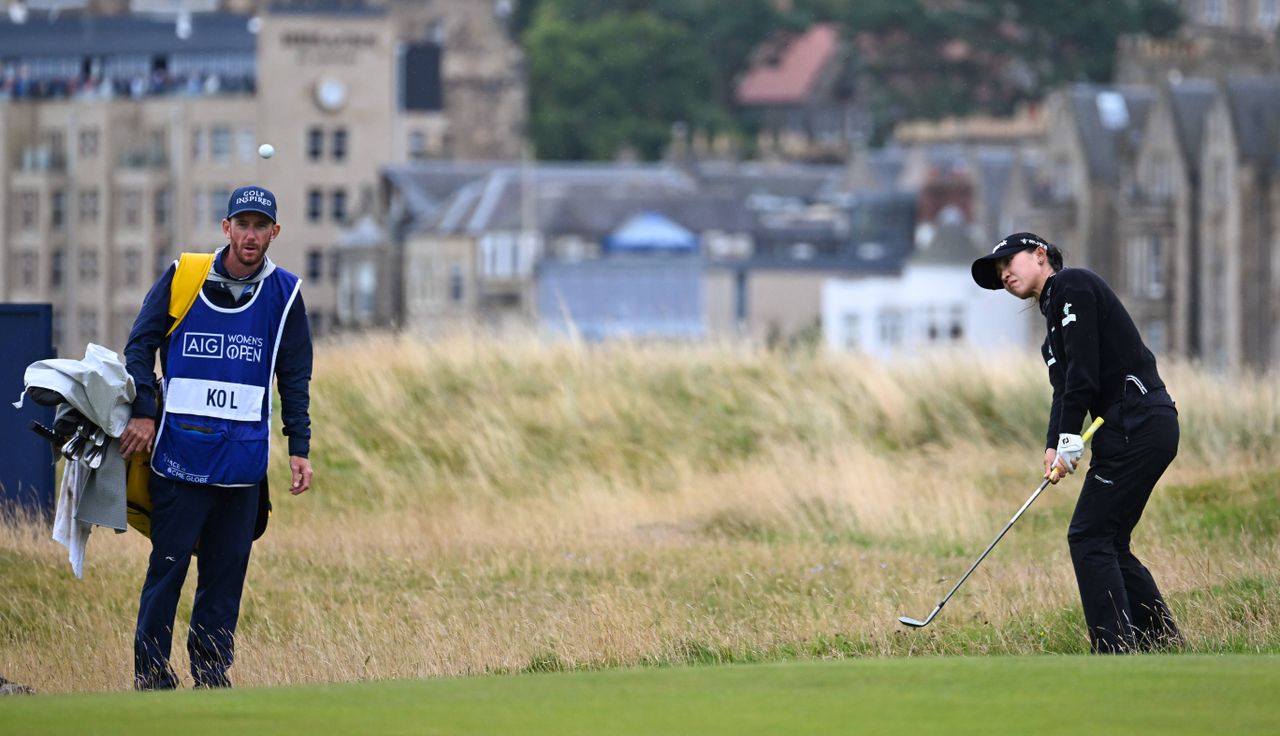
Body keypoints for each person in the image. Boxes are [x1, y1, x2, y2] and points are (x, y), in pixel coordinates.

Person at [119, 185, 314, 689]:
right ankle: (151, 675)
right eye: (242, 225)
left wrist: (300, 447)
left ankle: (210, 675)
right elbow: (139, 346)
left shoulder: (285, 294)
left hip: (242, 467)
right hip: (179, 459)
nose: (251, 236)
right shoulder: (184, 277)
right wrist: (142, 411)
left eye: (260, 226)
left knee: (225, 582)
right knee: (167, 571)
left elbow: (293, 378)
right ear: (226, 228)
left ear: (275, 232)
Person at [971, 232, 1182, 654]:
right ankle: (1162, 645)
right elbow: (1065, 389)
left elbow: (1084, 372)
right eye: (999, 272)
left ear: (1040, 255)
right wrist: (1054, 445)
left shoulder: (1073, 285)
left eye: (1009, 262)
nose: (1005, 274)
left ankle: (1114, 650)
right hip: (1130, 429)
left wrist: (1071, 437)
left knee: (1087, 536)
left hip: (1138, 421)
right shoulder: (1052, 334)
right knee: (1108, 540)